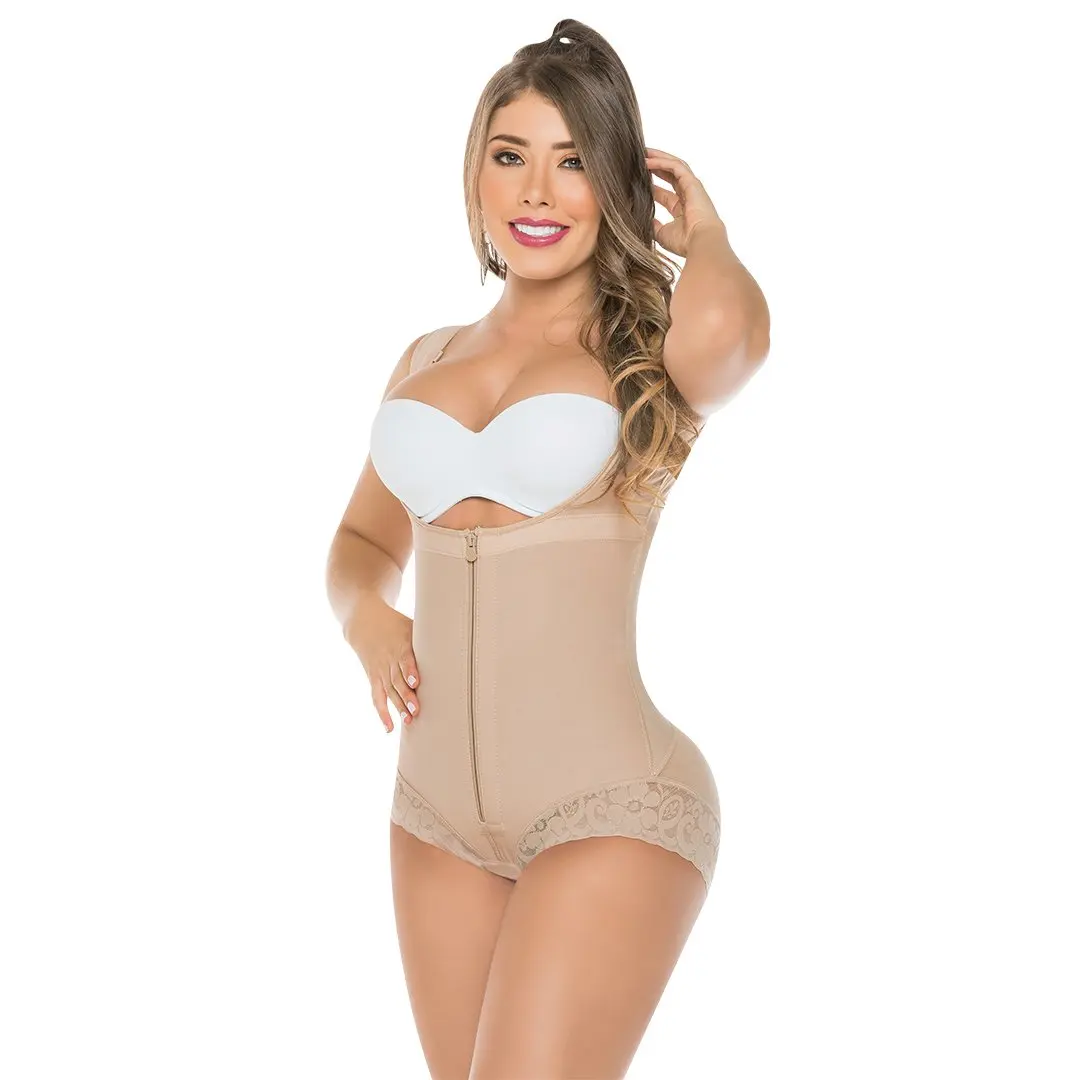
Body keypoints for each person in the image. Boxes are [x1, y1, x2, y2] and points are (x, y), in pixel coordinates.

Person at [325, 19, 769, 1080]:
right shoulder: (425, 358)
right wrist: (367, 618)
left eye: (573, 162)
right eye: (510, 154)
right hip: (433, 818)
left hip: (612, 805)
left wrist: (705, 235)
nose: (536, 191)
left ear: (616, 184)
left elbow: (736, 338)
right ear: (474, 171)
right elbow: (360, 540)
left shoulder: (645, 351)